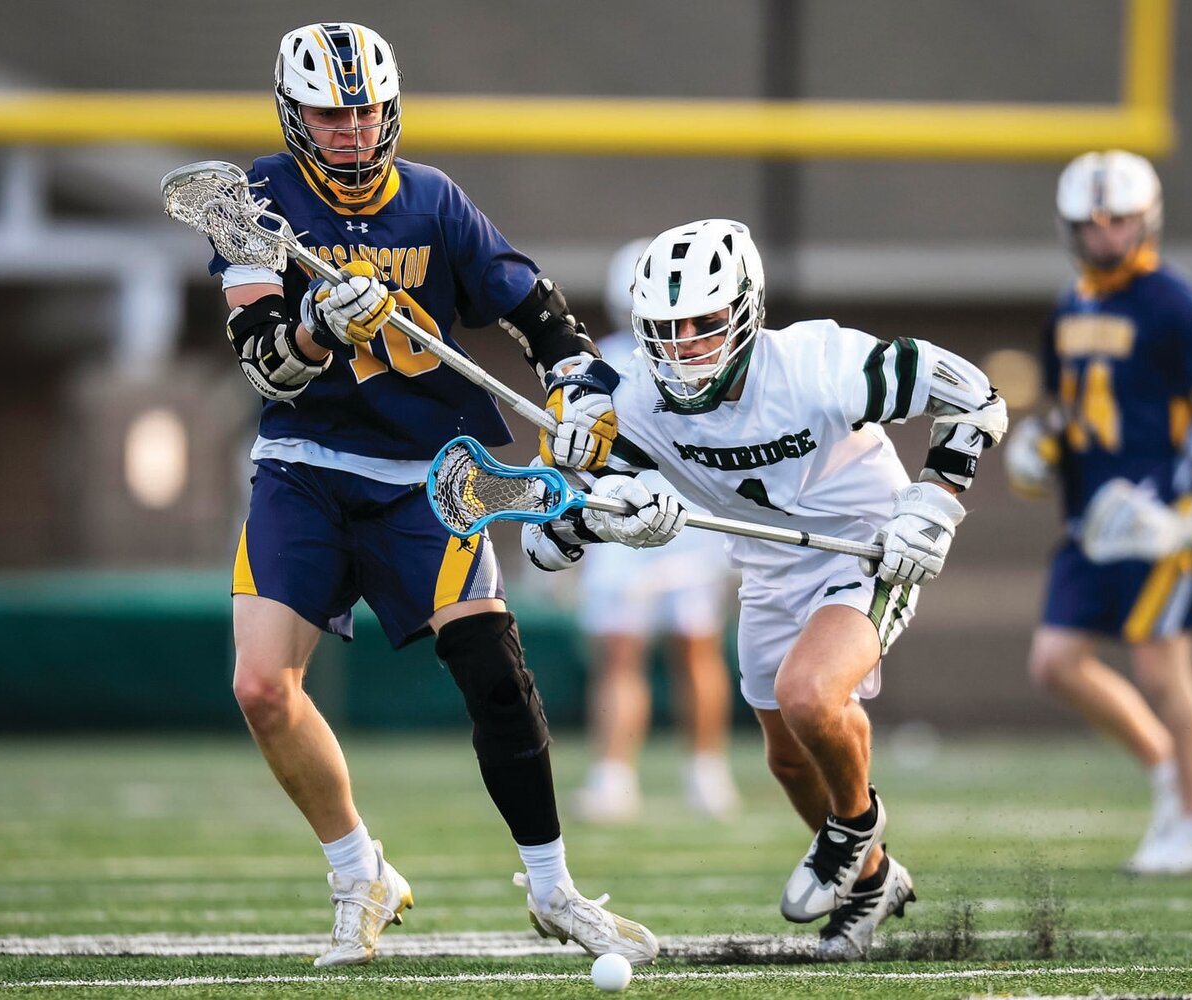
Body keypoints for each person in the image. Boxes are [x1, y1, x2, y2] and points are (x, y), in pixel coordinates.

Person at [207, 21, 656, 967]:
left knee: (491, 666)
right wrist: (319, 327)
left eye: (366, 109)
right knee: (260, 686)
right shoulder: (256, 203)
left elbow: (541, 315)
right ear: (295, 117)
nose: (355, 131)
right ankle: (356, 869)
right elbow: (264, 367)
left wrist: (578, 393)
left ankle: (554, 890)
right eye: (332, 115)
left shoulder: (434, 202)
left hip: (427, 479)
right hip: (306, 464)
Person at [524, 219, 1008, 960]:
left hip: (867, 546)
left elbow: (974, 395)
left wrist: (936, 501)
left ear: (747, 310)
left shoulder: (818, 363)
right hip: (769, 565)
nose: (684, 345)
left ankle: (852, 827)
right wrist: (589, 524)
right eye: (666, 328)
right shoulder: (637, 400)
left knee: (810, 693)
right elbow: (596, 506)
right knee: (787, 758)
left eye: (704, 323)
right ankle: (876, 881)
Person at [1007, 150, 1192, 875]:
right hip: (1095, 521)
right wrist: (1040, 445)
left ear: (1145, 221)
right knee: (1054, 663)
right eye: (1093, 221)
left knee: (1161, 669)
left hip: (1162, 516)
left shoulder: (1171, 300)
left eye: (1120, 220)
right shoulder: (1072, 304)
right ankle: (1175, 771)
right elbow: (1066, 407)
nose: (1107, 233)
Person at [570, 240, 741, 824]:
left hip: (688, 521)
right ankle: (615, 775)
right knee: (621, 650)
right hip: (622, 518)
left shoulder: (711, 363)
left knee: (695, 647)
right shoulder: (608, 364)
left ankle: (706, 769)